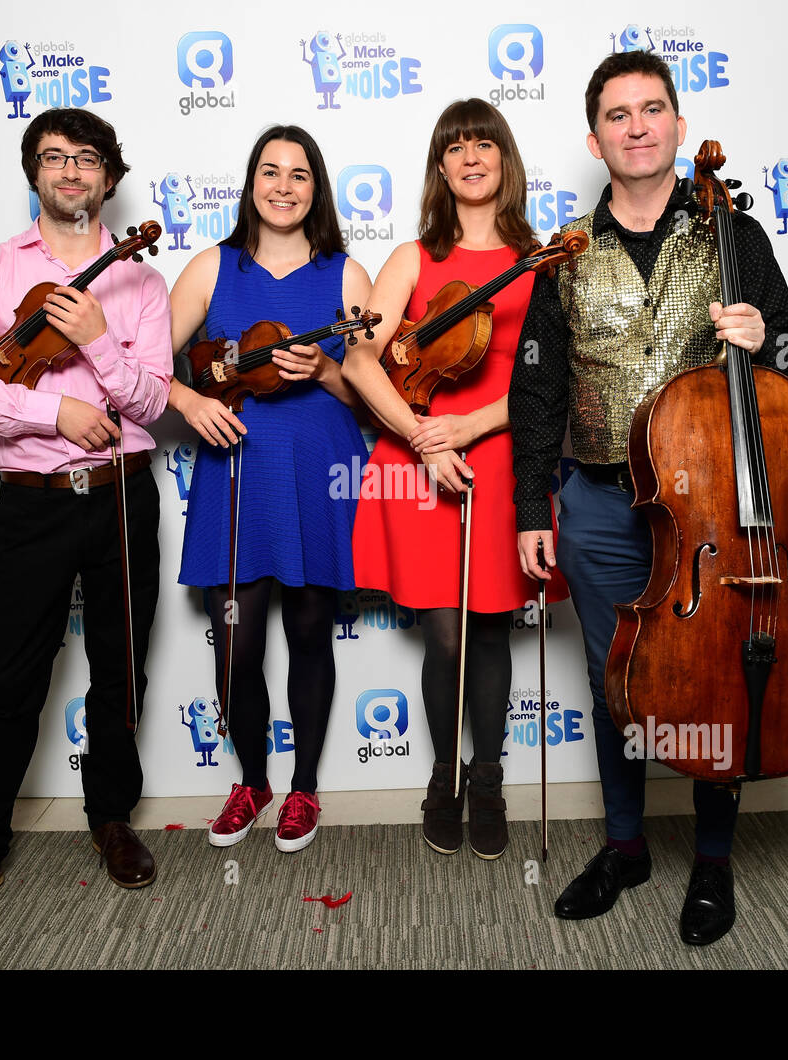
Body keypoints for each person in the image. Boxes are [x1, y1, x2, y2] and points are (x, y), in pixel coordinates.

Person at [510, 51, 788, 945]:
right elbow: (538, 390)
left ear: (678, 124)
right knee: (618, 683)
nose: (635, 126)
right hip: (599, 502)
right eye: (616, 114)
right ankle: (627, 847)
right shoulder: (564, 251)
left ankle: (712, 861)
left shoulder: (733, 234)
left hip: (716, 508)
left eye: (651, 109)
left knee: (719, 681)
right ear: (594, 138)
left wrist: (765, 338)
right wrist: (531, 508)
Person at [0, 108, 170, 945]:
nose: (69, 172)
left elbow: (154, 400)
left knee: (118, 672)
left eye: (86, 159)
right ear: (34, 174)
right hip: (34, 502)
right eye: (53, 158)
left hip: (125, 495)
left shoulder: (139, 282)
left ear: (108, 177)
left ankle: (111, 819)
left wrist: (97, 344)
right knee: (13, 680)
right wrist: (50, 409)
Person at [345, 99, 567, 861]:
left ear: (505, 160)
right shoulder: (412, 258)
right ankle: (442, 776)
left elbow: (552, 380)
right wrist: (421, 437)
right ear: (440, 167)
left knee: (493, 627)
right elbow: (360, 361)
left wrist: (468, 428)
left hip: (502, 453)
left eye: (485, 144)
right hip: (418, 460)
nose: (471, 157)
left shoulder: (540, 260)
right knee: (444, 636)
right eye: (456, 147)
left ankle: (490, 778)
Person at [169, 125, 371, 853]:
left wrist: (322, 370)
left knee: (311, 633)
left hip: (320, 473)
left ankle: (304, 788)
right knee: (236, 645)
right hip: (237, 475)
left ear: (316, 189)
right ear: (250, 183)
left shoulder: (346, 276)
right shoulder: (210, 269)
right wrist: (190, 402)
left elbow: (374, 393)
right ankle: (251, 781)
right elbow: (138, 361)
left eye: (299, 174)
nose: (283, 186)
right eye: (269, 171)